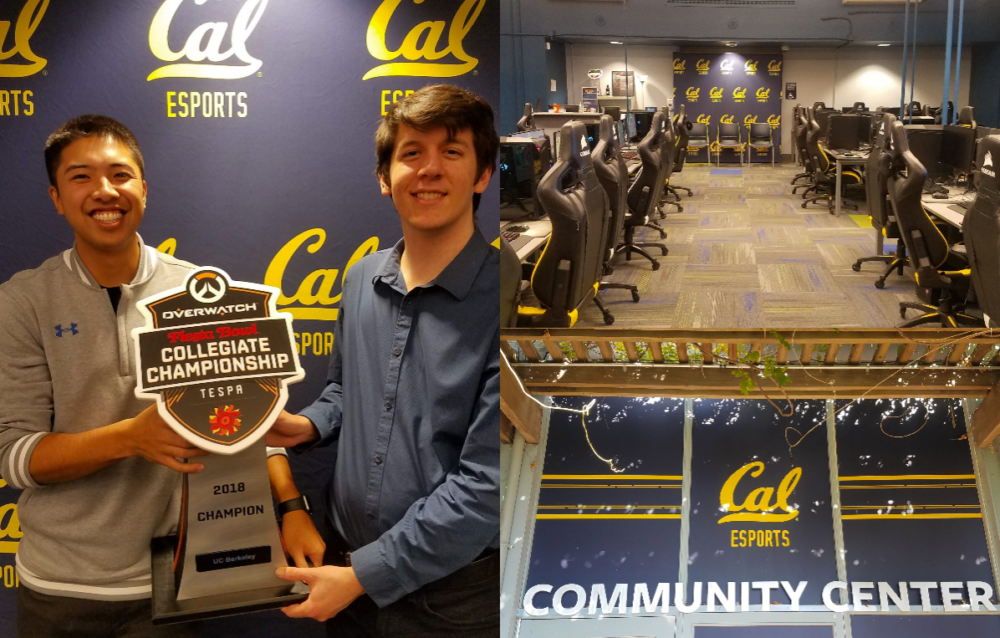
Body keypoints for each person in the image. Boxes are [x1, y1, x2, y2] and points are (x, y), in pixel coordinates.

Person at [0, 114, 324, 638]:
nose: (105, 191)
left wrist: (290, 507)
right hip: (59, 586)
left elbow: (249, 423)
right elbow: (14, 456)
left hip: (172, 580)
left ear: (143, 190)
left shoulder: (203, 291)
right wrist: (129, 438)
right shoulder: (22, 302)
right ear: (57, 197)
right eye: (81, 177)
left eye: (120, 174)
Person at [266, 84, 501, 636]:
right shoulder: (359, 279)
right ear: (384, 177)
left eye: (452, 151)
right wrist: (303, 427)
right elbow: (345, 391)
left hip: (450, 594)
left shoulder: (507, 299)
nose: (430, 169)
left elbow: (488, 482)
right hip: (344, 567)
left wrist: (364, 577)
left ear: (483, 175)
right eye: (411, 153)